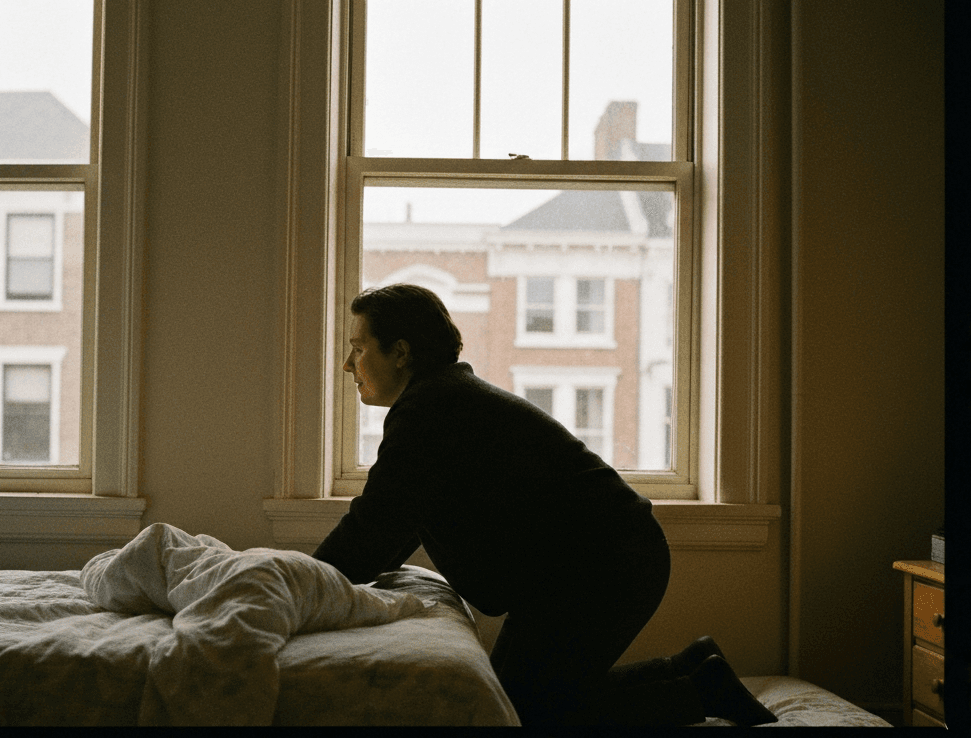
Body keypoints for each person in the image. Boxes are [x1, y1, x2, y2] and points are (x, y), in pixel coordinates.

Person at [313, 283, 777, 727]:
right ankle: (693, 669)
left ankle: (698, 692)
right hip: (605, 558)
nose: (347, 364)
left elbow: (371, 528)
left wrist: (302, 590)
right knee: (526, 698)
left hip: (603, 565)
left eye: (358, 348)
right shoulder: (441, 402)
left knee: (522, 714)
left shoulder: (429, 413)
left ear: (400, 351)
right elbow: (398, 521)